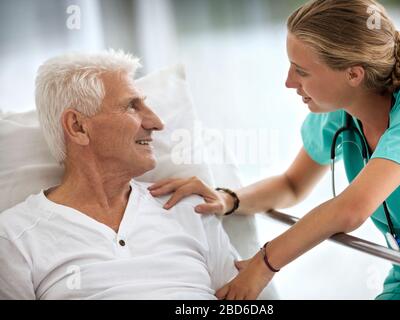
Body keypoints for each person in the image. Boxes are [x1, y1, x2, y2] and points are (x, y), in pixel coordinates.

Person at [148, 0, 400, 300]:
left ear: (354, 75)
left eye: (301, 71)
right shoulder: (344, 108)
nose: (288, 82)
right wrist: (228, 199)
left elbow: (351, 209)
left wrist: (264, 265)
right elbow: (292, 184)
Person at [0, 51, 239, 299]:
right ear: (78, 127)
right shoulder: (14, 239)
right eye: (131, 106)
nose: (157, 123)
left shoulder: (189, 207)